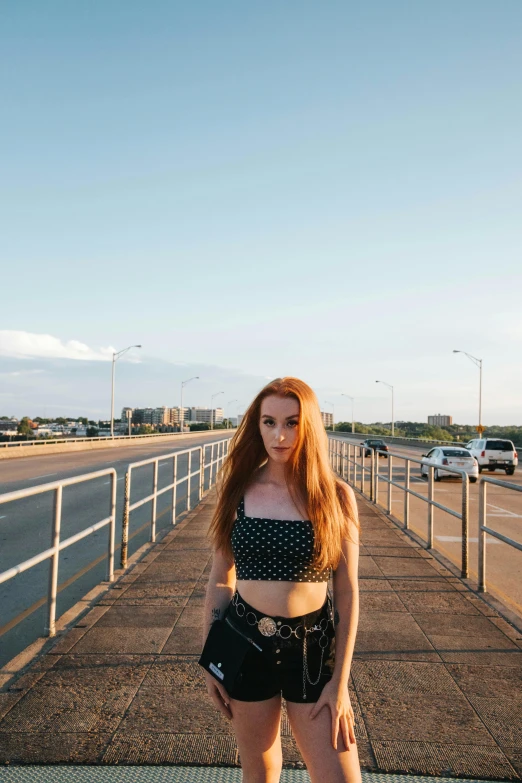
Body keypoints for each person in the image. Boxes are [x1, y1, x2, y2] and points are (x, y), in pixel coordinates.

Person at [203, 377, 361, 783]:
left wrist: (339, 684)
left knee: (341, 777)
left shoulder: (336, 497)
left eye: (291, 423)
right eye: (269, 422)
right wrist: (213, 663)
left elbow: (346, 593)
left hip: (313, 650)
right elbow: (221, 580)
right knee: (260, 772)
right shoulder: (237, 490)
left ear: (308, 426)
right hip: (244, 642)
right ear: (256, 426)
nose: (280, 435)